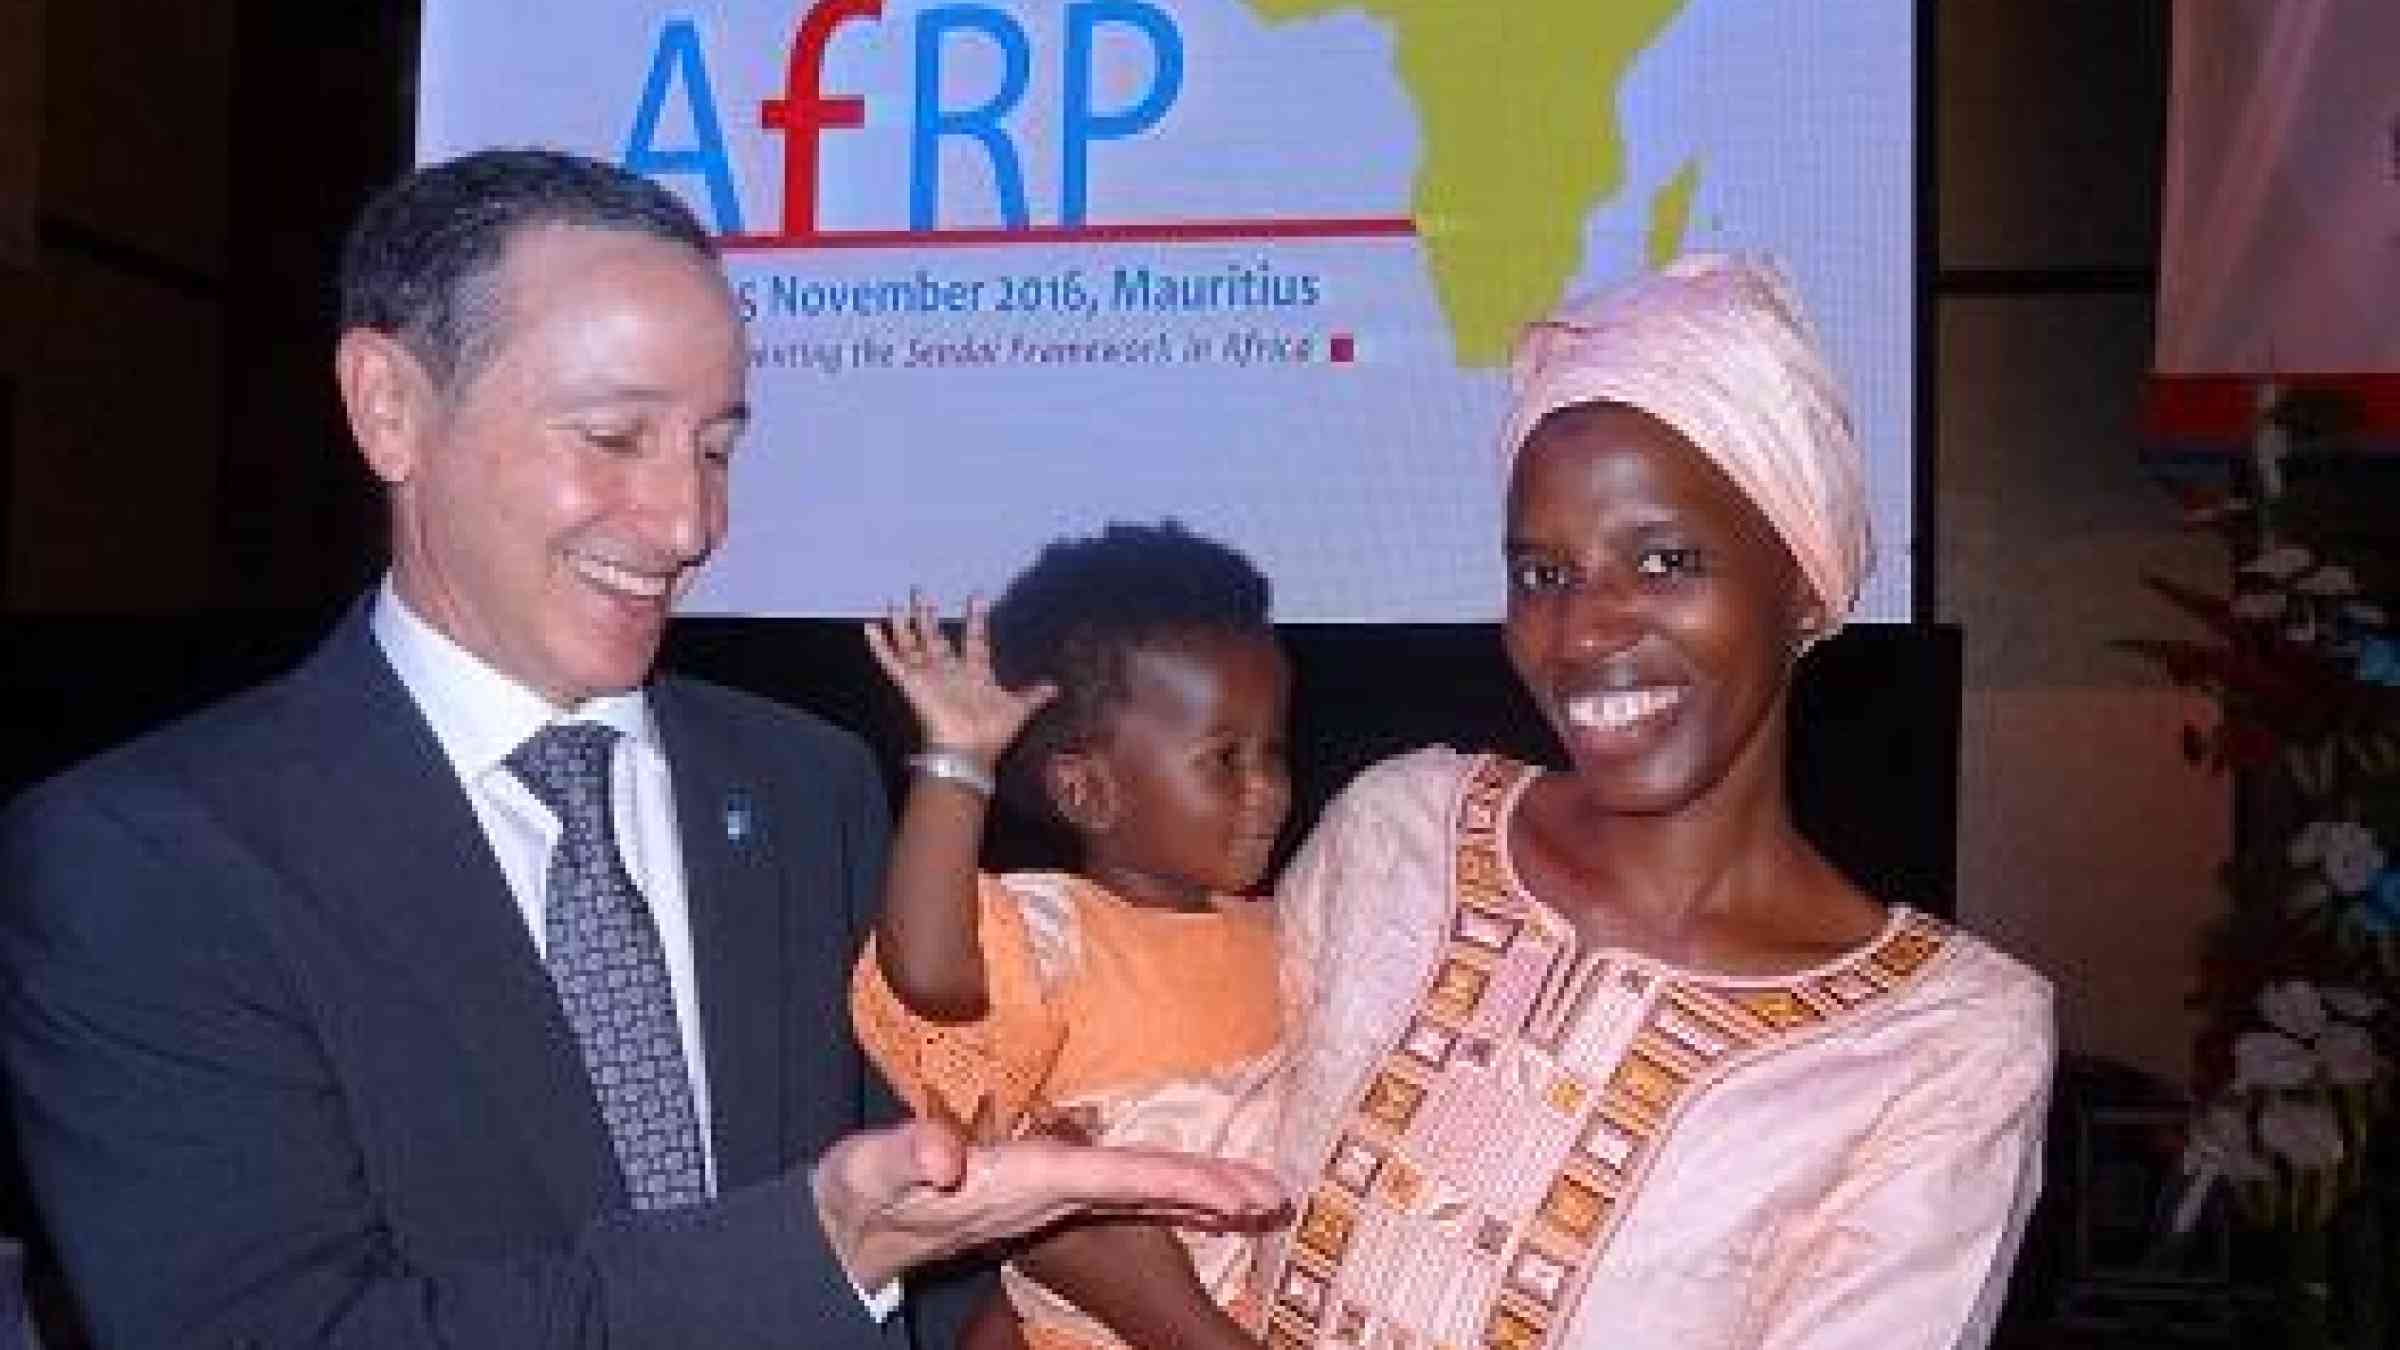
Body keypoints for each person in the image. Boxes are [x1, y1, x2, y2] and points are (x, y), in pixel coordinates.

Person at [0, 149, 1280, 1350]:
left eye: (717, 447)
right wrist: (813, 1246)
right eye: (614, 437)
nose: (687, 522)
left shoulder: (806, 785)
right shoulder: (152, 862)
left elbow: (924, 1242)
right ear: (389, 407)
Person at [1013, 254, 2056, 1348]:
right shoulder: (1402, 831)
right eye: (1543, 575)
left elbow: (1153, 1291)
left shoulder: (1942, 1043)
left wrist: (1161, 1313)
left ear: (1802, 584)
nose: (1586, 631)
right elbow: (1182, 1162)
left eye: (1664, 561)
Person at [852, 522, 1293, 1350]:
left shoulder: (1277, 930)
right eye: (1225, 760)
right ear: (1087, 792)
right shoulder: (1060, 933)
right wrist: (957, 765)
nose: (1266, 790)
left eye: (1275, 752)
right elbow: (929, 972)